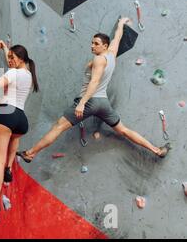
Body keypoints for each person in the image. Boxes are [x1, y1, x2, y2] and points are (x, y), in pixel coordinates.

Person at [16, 17, 171, 164]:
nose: (92, 45)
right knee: (122, 130)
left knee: (59, 126)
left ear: (104, 46)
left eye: (96, 43)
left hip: (90, 100)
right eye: (91, 42)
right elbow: (117, 38)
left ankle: (30, 153)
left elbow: (95, 81)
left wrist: (82, 103)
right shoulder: (111, 55)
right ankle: (156, 150)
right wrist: (121, 24)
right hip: (103, 103)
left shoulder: (98, 59)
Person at [0, 41, 39, 223]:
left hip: (7, 115)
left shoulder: (13, 72)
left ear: (21, 59)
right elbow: (16, 63)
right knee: (14, 139)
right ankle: (9, 168)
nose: (9, 61)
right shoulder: (29, 75)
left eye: (12, 58)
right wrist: (5, 49)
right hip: (21, 121)